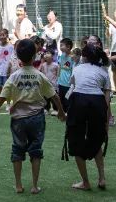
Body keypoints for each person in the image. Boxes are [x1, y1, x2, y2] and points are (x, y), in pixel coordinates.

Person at [0, 38, 65, 194]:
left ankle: (18, 185)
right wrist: (61, 111)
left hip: (18, 119)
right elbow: (54, 96)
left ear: (18, 56)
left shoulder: (14, 76)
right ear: (35, 56)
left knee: (17, 149)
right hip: (36, 117)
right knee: (35, 150)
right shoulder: (39, 75)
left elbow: (2, 97)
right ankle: (35, 186)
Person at [63, 42, 111, 191]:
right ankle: (102, 178)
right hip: (97, 102)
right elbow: (107, 98)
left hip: (78, 101)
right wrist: (106, 119)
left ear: (83, 56)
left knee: (75, 141)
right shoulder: (103, 71)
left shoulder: (77, 68)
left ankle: (85, 182)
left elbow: (72, 87)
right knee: (96, 139)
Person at [0, 28, 15, 107]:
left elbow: (12, 59)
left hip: (7, 71)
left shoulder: (11, 47)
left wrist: (10, 70)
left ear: (7, 35)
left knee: (7, 88)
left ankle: (8, 104)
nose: (2, 37)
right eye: (0, 35)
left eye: (4, 35)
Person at [56, 37, 74, 108]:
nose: (60, 47)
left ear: (68, 47)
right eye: (60, 45)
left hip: (68, 83)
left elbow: (73, 70)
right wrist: (57, 78)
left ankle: (68, 112)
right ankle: (62, 111)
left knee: (67, 100)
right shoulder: (62, 55)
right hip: (61, 81)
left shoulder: (73, 57)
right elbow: (59, 67)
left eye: (62, 45)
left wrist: (72, 83)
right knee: (61, 99)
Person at [39, 50, 59, 115]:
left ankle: (55, 109)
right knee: (46, 97)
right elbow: (42, 73)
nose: (46, 55)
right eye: (45, 53)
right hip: (45, 84)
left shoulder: (56, 65)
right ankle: (46, 108)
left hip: (53, 84)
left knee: (53, 97)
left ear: (52, 56)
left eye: (48, 53)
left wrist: (57, 82)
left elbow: (58, 75)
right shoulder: (43, 65)